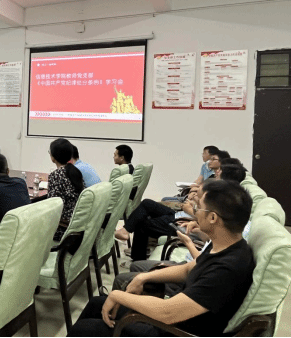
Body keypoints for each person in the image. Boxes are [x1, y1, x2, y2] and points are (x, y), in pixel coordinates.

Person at [68, 179, 254, 338]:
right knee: (96, 304)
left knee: (84, 329)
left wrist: (119, 295)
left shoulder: (228, 268)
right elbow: (188, 269)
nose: (195, 212)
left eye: (198, 208)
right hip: (173, 319)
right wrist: (144, 277)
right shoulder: (225, 246)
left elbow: (167, 312)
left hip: (173, 330)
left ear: (213, 218)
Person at [112, 163, 250, 294]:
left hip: (188, 276)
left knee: (122, 278)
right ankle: (127, 236)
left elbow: (198, 271)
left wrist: (189, 238)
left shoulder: (227, 261)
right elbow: (197, 264)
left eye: (199, 208)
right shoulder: (227, 239)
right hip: (190, 265)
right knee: (135, 266)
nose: (216, 170)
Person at [47, 138, 85, 241]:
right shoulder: (76, 171)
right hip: (77, 224)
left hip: (62, 229)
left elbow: (52, 206)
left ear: (53, 157)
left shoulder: (56, 175)